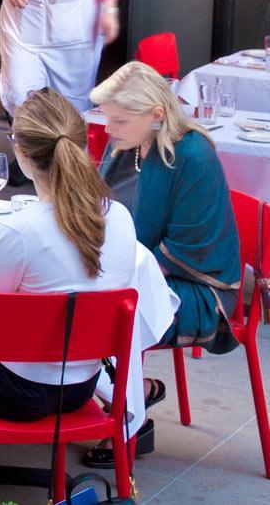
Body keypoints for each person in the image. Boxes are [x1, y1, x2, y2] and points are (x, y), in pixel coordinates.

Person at [0, 88, 138, 473]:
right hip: (82, 385)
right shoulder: (120, 217)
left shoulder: (19, 230)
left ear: (21, 153)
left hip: (17, 391)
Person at [84, 61, 242, 467]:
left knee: (96, 310)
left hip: (198, 290)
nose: (109, 128)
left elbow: (186, 252)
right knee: (62, 293)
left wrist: (110, 269)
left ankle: (125, 415)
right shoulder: (130, 144)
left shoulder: (191, 155)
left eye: (119, 120)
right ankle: (124, 394)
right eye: (107, 117)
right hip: (137, 271)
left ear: (156, 115)